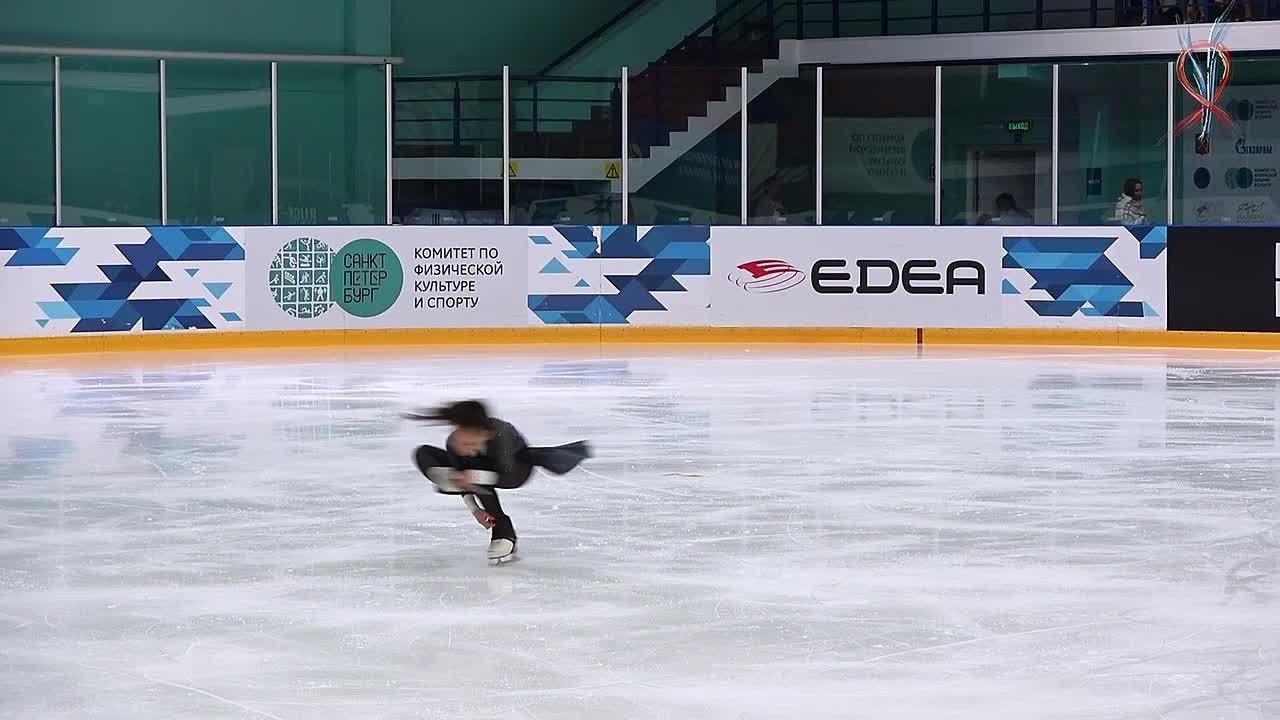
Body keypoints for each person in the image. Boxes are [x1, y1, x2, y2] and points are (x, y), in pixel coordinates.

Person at [406, 400, 591, 562]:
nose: (465, 447)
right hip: (476, 472)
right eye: (463, 441)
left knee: (473, 472)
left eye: (471, 443)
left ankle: (504, 532)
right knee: (425, 453)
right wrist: (475, 509)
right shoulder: (454, 442)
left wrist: (472, 476)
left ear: (483, 433)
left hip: (515, 471)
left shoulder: (502, 434)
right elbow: (464, 479)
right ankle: (451, 479)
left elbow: (508, 475)